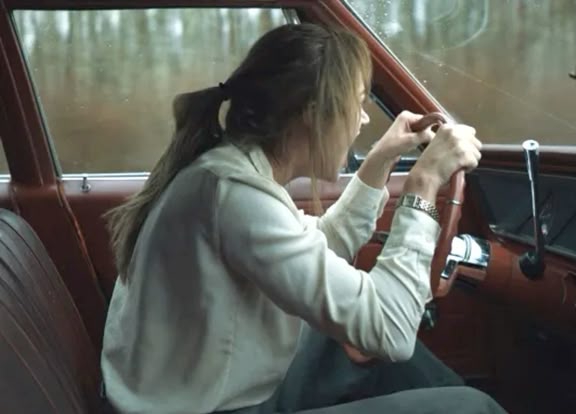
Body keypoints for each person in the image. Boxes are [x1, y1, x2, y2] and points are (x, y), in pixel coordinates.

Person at [101, 22, 505, 414]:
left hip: (204, 390)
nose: (364, 119)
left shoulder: (229, 171)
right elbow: (391, 329)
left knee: (355, 350)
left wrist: (380, 160)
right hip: (211, 406)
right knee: (472, 407)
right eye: (358, 103)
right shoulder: (236, 196)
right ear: (314, 114)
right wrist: (424, 185)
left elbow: (317, 250)